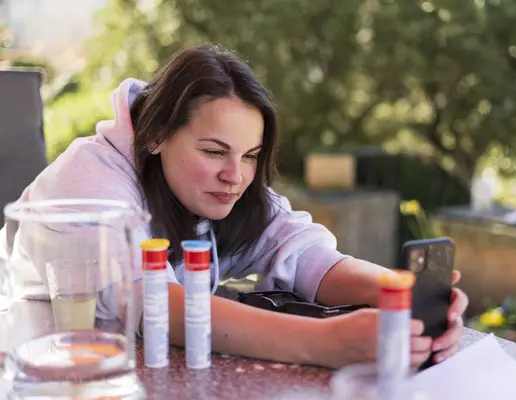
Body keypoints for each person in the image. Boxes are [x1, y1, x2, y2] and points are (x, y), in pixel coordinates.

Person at [1, 44, 467, 369]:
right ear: (157, 135)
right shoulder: (88, 181)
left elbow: (301, 251)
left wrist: (396, 290)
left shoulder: (212, 187)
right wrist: (328, 342)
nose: (236, 176)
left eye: (250, 156)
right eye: (213, 152)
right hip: (41, 374)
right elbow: (155, 304)